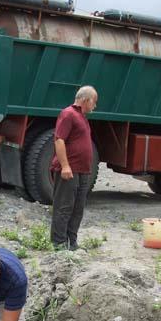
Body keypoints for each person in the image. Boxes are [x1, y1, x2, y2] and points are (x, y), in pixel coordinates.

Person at [50, 85, 98, 250]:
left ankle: (72, 242)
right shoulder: (68, 114)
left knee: (77, 209)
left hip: (82, 171)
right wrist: (65, 166)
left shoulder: (81, 116)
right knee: (64, 207)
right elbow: (59, 139)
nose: (95, 106)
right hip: (70, 170)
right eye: (94, 102)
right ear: (86, 100)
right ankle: (58, 243)